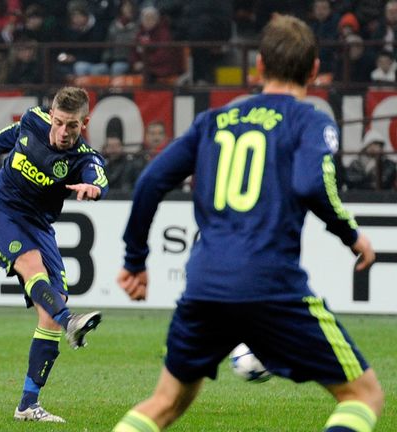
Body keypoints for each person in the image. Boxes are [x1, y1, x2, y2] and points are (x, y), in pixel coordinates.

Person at [114, 15, 384, 432]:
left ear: (258, 66)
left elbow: (150, 181)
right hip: (271, 284)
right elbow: (312, 184)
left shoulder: (213, 121)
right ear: (314, 69)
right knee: (363, 395)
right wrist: (351, 235)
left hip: (204, 286)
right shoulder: (309, 120)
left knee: (165, 403)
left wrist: (135, 260)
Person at [0, 86, 106, 423]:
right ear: (51, 115)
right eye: (61, 123)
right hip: (0, 214)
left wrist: (93, 189)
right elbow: (9, 136)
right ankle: (72, 322)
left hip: (38, 227)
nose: (65, 132)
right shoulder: (33, 121)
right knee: (31, 266)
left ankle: (28, 405)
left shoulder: (83, 158)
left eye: (73, 126)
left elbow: (98, 177)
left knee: (53, 303)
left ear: (85, 123)